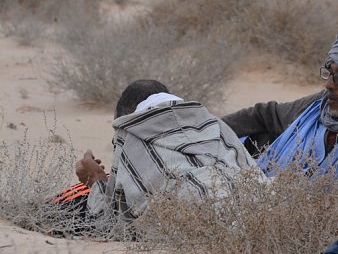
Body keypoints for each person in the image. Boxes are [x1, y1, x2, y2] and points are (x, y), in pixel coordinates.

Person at [222, 30, 338, 217]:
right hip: (256, 198)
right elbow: (265, 115)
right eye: (330, 73)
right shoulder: (319, 105)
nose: (329, 84)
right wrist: (213, 128)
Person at [75, 79, 260, 221]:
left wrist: (96, 180)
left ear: (127, 118)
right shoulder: (214, 124)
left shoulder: (131, 134)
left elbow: (112, 222)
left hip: (204, 225)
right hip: (259, 210)